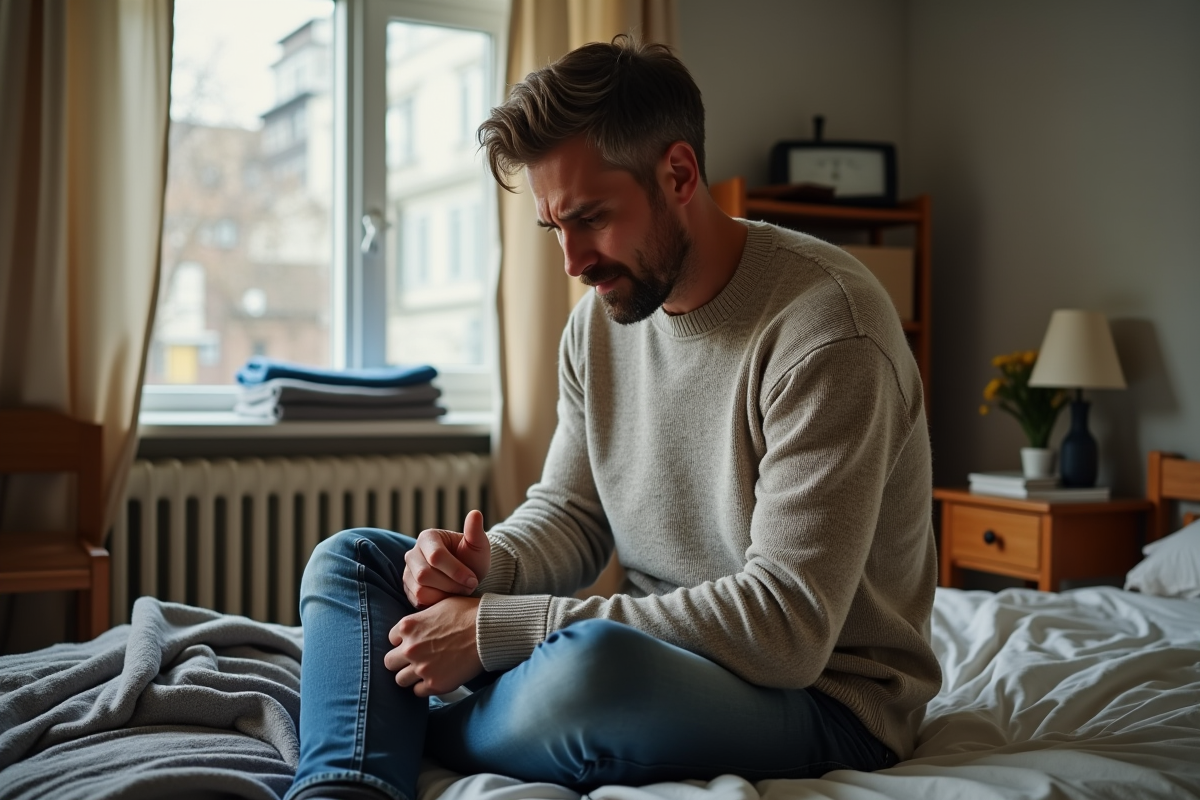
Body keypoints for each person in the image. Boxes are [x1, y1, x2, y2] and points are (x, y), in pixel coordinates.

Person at [285, 36, 941, 800]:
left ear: (679, 173)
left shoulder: (828, 329)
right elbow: (571, 514)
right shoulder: (599, 324)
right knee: (353, 559)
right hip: (663, 651)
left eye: (591, 218)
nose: (571, 261)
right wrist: (482, 568)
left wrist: (498, 630)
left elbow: (787, 628)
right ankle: (348, 786)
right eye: (553, 227)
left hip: (824, 702)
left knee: (591, 672)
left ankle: (391, 729)